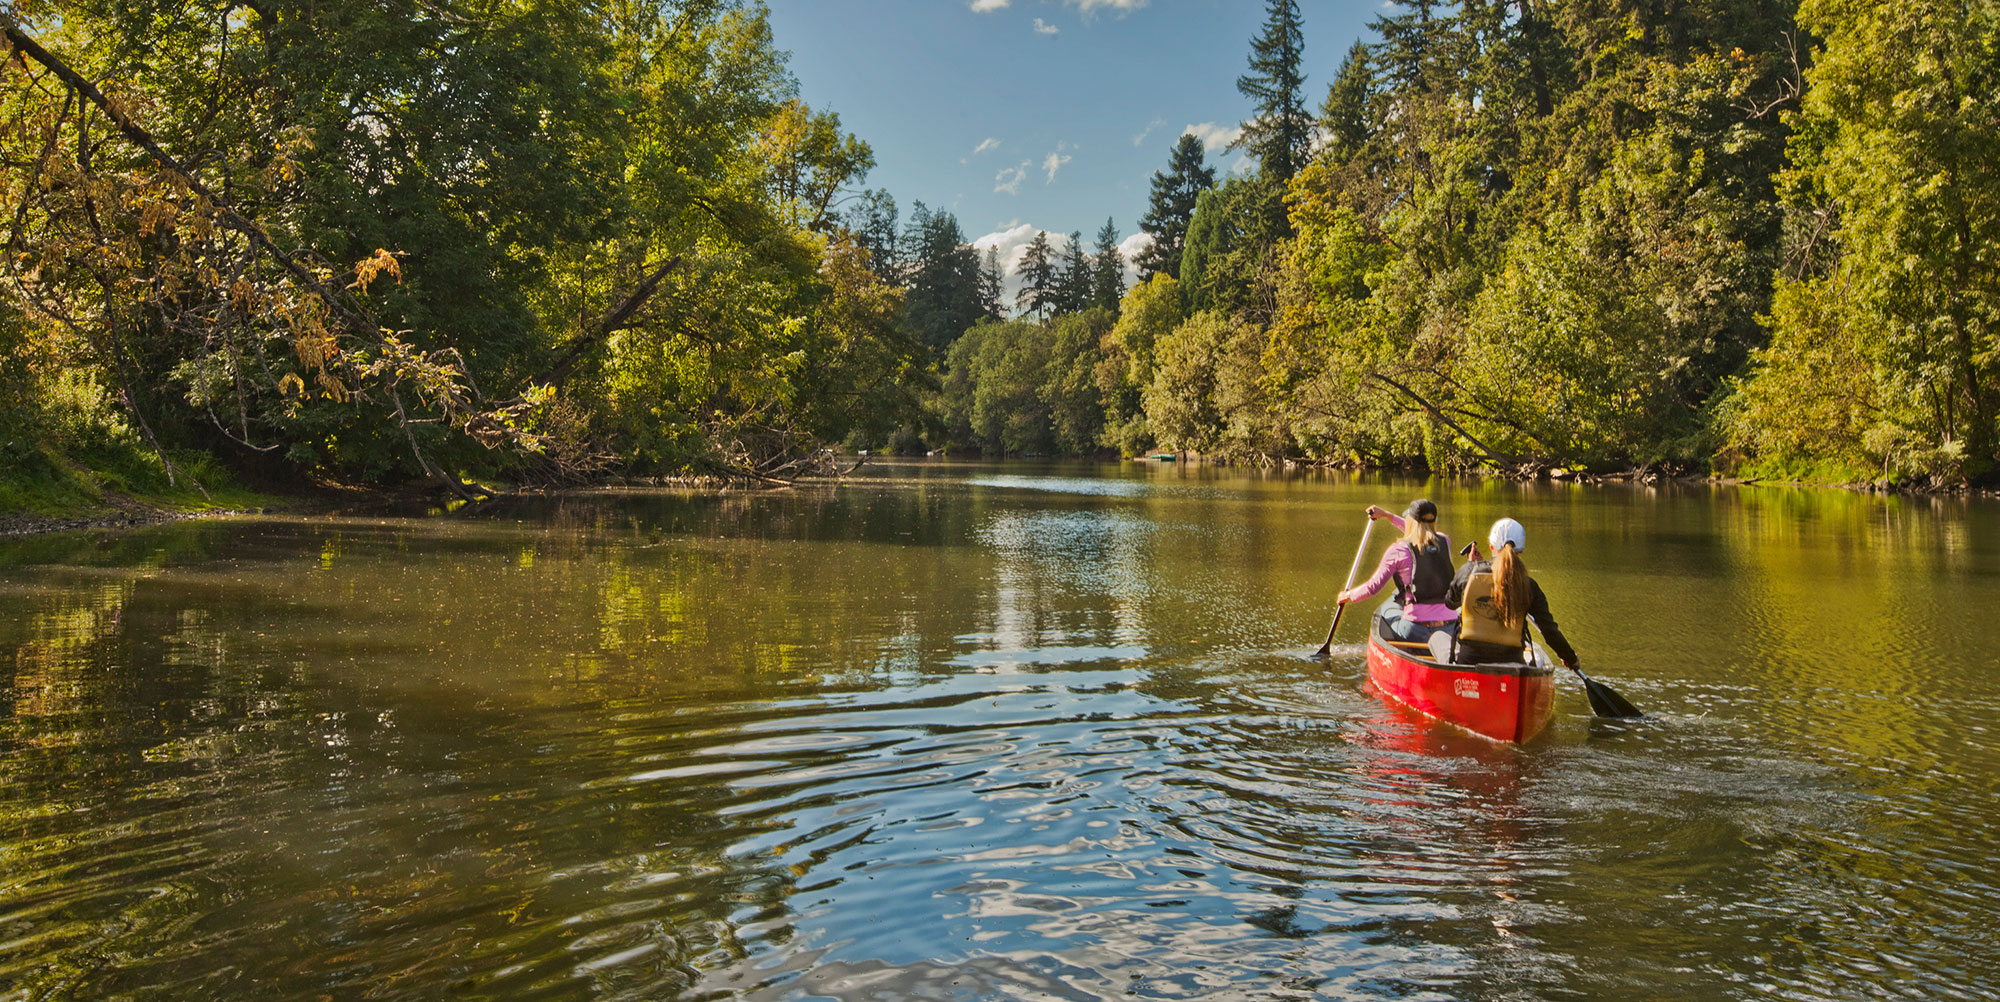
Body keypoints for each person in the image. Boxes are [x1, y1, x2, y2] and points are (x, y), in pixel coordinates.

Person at [1446, 517, 1579, 668]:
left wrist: (1472, 566)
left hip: (1469, 662)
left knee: (1437, 638)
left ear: (1491, 547)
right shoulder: (1529, 585)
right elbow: (1549, 630)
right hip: (1512, 666)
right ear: (1520, 551)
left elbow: (1450, 603)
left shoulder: (1468, 573)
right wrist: (1570, 657)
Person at [1336, 499, 1457, 643]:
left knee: (1386, 610)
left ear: (1410, 521)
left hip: (1416, 630)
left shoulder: (1398, 550)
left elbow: (1373, 587)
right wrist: (1387, 516)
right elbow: (1421, 532)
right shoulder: (1444, 542)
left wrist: (1349, 595)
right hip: (1450, 627)